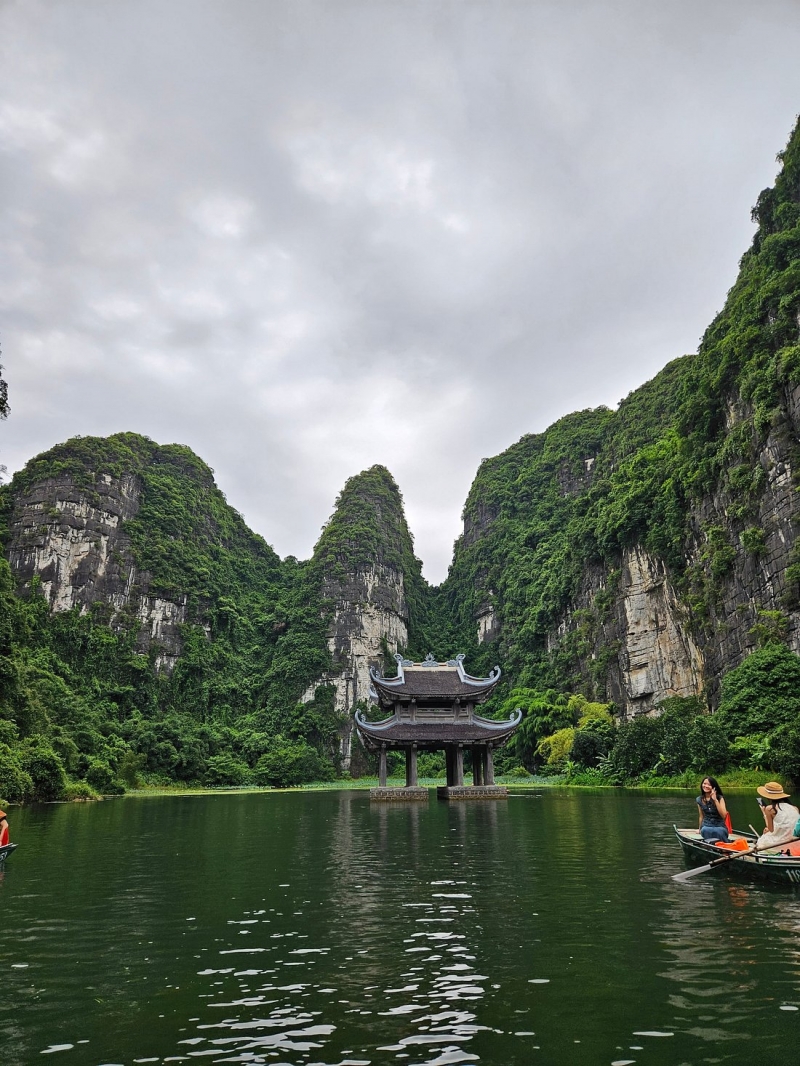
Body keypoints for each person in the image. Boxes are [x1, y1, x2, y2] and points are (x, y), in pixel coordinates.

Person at [756, 781, 800, 849]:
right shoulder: (795, 808)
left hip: (781, 842)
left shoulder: (769, 809)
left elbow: (771, 829)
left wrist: (764, 813)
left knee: (762, 840)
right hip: (794, 840)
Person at [696, 777, 730, 843]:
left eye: (709, 784)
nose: (706, 786)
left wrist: (715, 800)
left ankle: (722, 848)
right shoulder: (699, 799)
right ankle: (709, 846)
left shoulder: (720, 798)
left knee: (720, 832)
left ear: (713, 787)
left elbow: (724, 816)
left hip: (719, 825)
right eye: (704, 784)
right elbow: (701, 816)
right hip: (706, 825)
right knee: (705, 830)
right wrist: (699, 829)